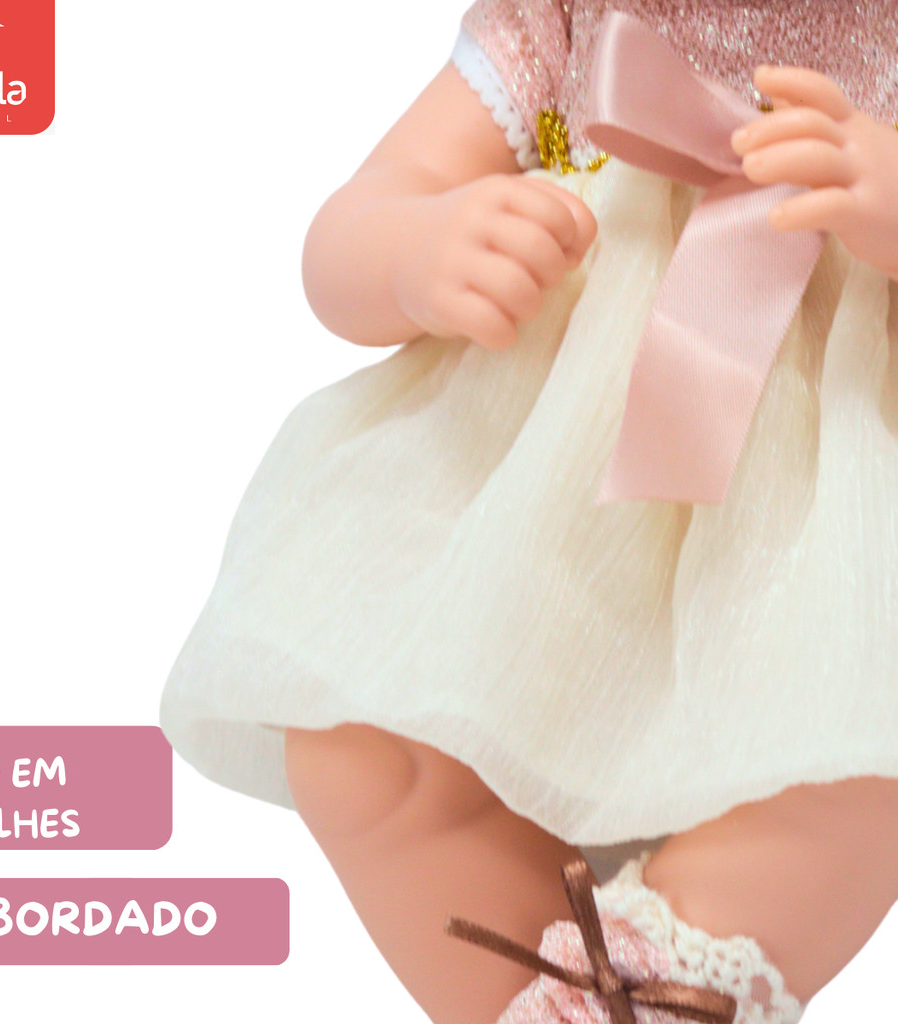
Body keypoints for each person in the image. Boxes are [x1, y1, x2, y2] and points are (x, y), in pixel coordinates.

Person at [160, 1, 898, 1021]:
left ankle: (646, 992)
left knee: (853, 756)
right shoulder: (558, 21)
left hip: (822, 537)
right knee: (361, 754)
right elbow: (355, 226)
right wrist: (413, 247)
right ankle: (544, 1004)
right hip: (548, 501)